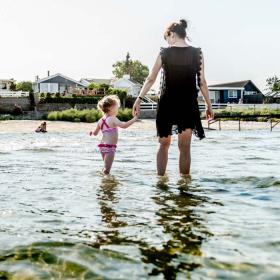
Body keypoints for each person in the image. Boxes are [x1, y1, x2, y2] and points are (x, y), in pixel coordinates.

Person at [133, 19, 214, 176]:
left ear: (171, 34)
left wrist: (139, 99)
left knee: (163, 145)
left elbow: (151, 78)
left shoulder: (164, 53)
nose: (167, 42)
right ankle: (184, 187)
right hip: (188, 104)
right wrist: (209, 105)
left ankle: (161, 184)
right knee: (185, 147)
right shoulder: (197, 53)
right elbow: (202, 82)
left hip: (167, 104)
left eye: (166, 38)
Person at [90, 95, 138, 174]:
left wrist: (91, 133)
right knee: (107, 169)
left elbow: (95, 133)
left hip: (102, 146)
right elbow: (124, 125)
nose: (118, 110)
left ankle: (103, 181)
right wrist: (134, 119)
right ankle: (106, 183)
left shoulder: (100, 120)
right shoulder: (112, 118)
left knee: (105, 166)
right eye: (117, 108)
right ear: (110, 108)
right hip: (110, 147)